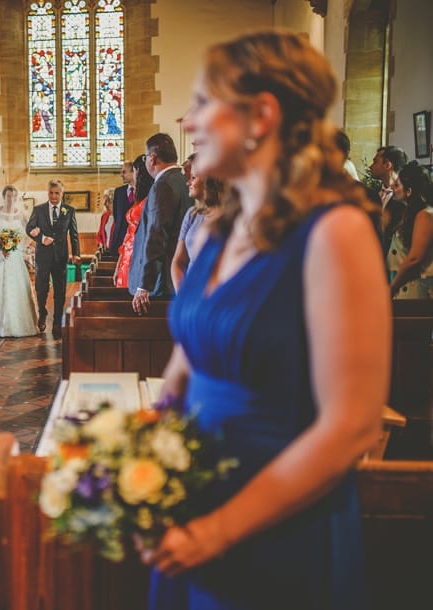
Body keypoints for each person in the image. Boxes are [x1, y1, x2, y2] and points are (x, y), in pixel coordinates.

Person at [142, 31, 389, 610]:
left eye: (204, 103)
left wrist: (219, 530)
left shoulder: (336, 232)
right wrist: (140, 469)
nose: (187, 119)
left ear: (262, 116)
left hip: (275, 522)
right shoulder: (218, 230)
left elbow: (351, 426)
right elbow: (186, 360)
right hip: (195, 501)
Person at [129, 133, 192, 312]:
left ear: (152, 158)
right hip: (178, 277)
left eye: (146, 156)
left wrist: (144, 286)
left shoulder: (163, 185)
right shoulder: (183, 180)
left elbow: (156, 235)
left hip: (161, 282)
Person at [0, 185, 38, 337]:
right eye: (8, 196)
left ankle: (17, 325)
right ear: (3, 197)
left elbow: (29, 232)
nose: (11, 199)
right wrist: (1, 246)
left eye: (14, 196)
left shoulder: (20, 215)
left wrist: (18, 247)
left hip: (15, 255)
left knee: (16, 288)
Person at [25, 179, 80, 338]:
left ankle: (57, 321)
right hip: (43, 256)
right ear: (47, 192)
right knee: (41, 289)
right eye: (51, 192)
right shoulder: (39, 210)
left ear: (62, 193)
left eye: (57, 193)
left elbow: (74, 234)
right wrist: (40, 238)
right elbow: (29, 228)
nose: (54, 196)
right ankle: (42, 313)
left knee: (60, 290)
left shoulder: (69, 210)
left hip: (61, 256)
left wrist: (76, 253)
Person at [170, 156, 225, 291]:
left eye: (193, 178)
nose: (188, 183)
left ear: (209, 180)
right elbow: (179, 261)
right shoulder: (192, 214)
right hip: (192, 295)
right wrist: (182, 295)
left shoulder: (230, 215)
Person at [387, 162, 432, 298]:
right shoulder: (410, 213)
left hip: (417, 288)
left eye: (397, 185)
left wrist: (392, 287)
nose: (392, 188)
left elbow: (414, 258)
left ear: (409, 191)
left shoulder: (425, 215)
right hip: (407, 285)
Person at [114, 154, 153, 288]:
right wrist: (118, 265)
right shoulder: (137, 197)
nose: (121, 175)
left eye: (135, 171)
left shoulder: (150, 198)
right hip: (127, 254)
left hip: (138, 255)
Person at [107, 159, 137, 256]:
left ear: (134, 172)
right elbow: (117, 217)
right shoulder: (119, 192)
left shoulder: (143, 191)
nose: (121, 175)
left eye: (124, 172)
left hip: (135, 241)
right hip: (119, 241)